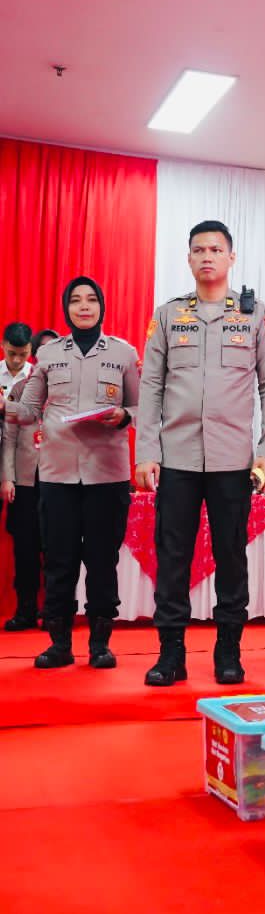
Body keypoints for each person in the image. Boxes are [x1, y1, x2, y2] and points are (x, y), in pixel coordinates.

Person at [134, 220, 265, 687]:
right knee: (172, 557)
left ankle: (228, 651)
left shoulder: (255, 316)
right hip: (177, 458)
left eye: (216, 250)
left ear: (231, 258)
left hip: (232, 461)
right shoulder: (168, 315)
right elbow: (151, 386)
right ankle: (171, 654)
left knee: (231, 557)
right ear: (188, 258)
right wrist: (146, 450)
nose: (207, 257)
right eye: (199, 250)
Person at [10, 280, 138, 670]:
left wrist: (124, 415)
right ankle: (59, 643)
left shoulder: (123, 353)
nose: (84, 306)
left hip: (107, 476)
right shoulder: (48, 354)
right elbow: (29, 410)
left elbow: (143, 407)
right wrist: (6, 405)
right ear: (66, 308)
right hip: (57, 475)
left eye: (91, 300)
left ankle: (100, 644)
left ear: (102, 306)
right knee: (59, 561)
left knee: (102, 561)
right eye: (76, 301)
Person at [1, 322, 39, 631]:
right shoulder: (13, 385)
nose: (17, 360)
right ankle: (25, 608)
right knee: (23, 543)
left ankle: (52, 611)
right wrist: (8, 478)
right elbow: (10, 439)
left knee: (51, 546)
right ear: (3, 346)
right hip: (16, 473)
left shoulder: (38, 379)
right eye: (11, 353)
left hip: (46, 474)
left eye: (23, 354)